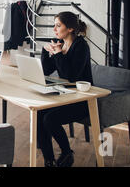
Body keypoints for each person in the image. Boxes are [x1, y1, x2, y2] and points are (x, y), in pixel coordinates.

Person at [38, 11, 92, 167]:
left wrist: (58, 53)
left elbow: (71, 76)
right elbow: (46, 70)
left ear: (69, 28)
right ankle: (49, 160)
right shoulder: (59, 42)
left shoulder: (81, 46)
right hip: (64, 96)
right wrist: (45, 51)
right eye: (54, 25)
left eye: (58, 25)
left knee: (49, 119)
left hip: (81, 100)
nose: (54, 29)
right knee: (39, 113)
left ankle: (67, 153)